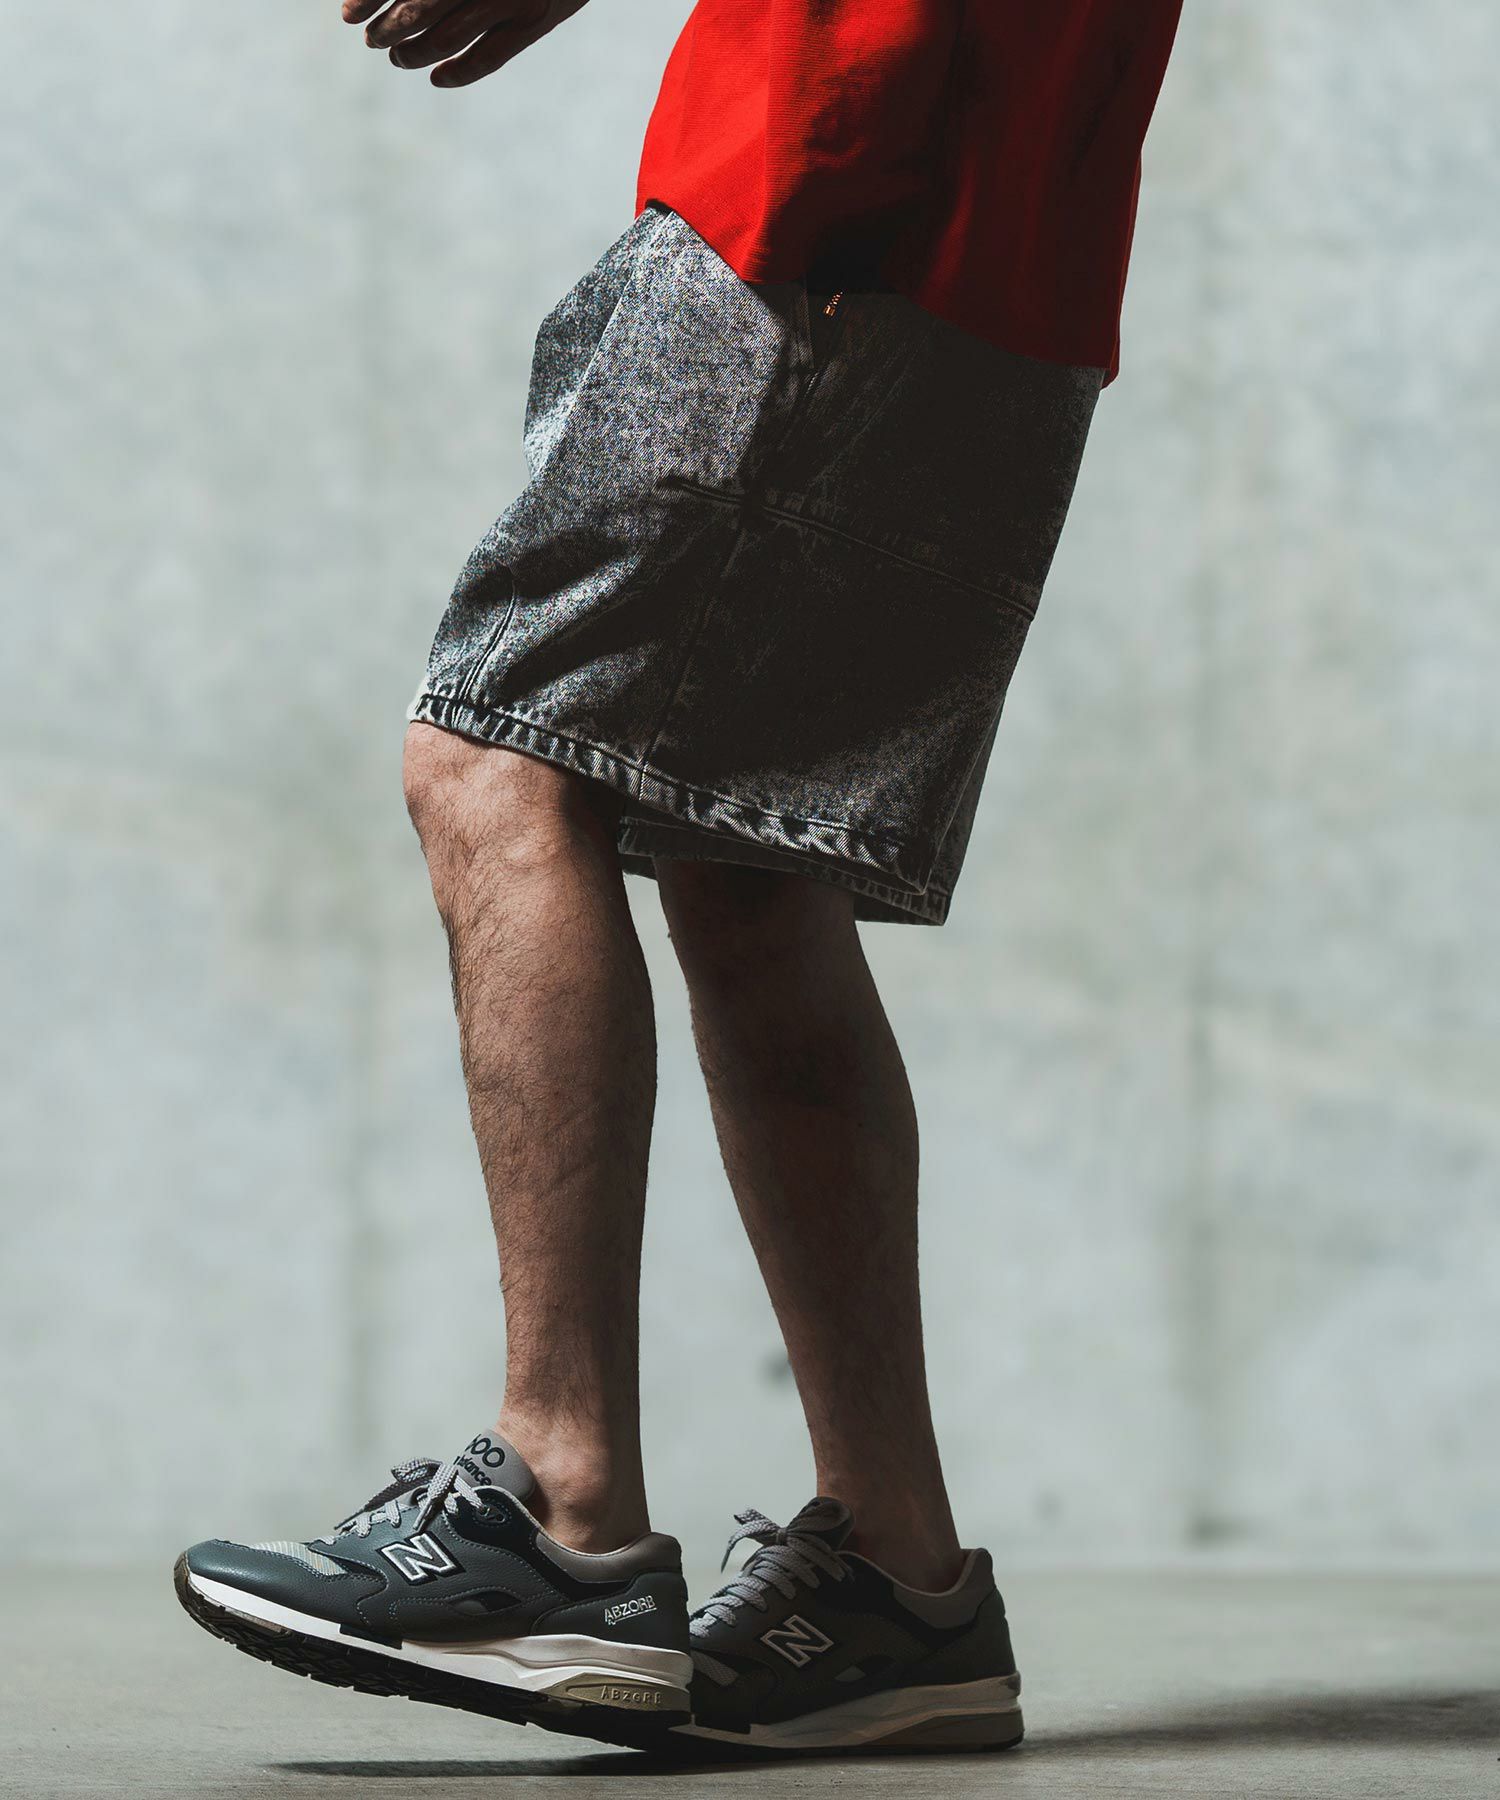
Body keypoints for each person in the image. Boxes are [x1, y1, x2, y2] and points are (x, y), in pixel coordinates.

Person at [175, 0, 1183, 1756]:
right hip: (1012, 229)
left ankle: (559, 1514)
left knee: (494, 764)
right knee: (746, 857)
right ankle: (899, 1583)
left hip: (838, 159)